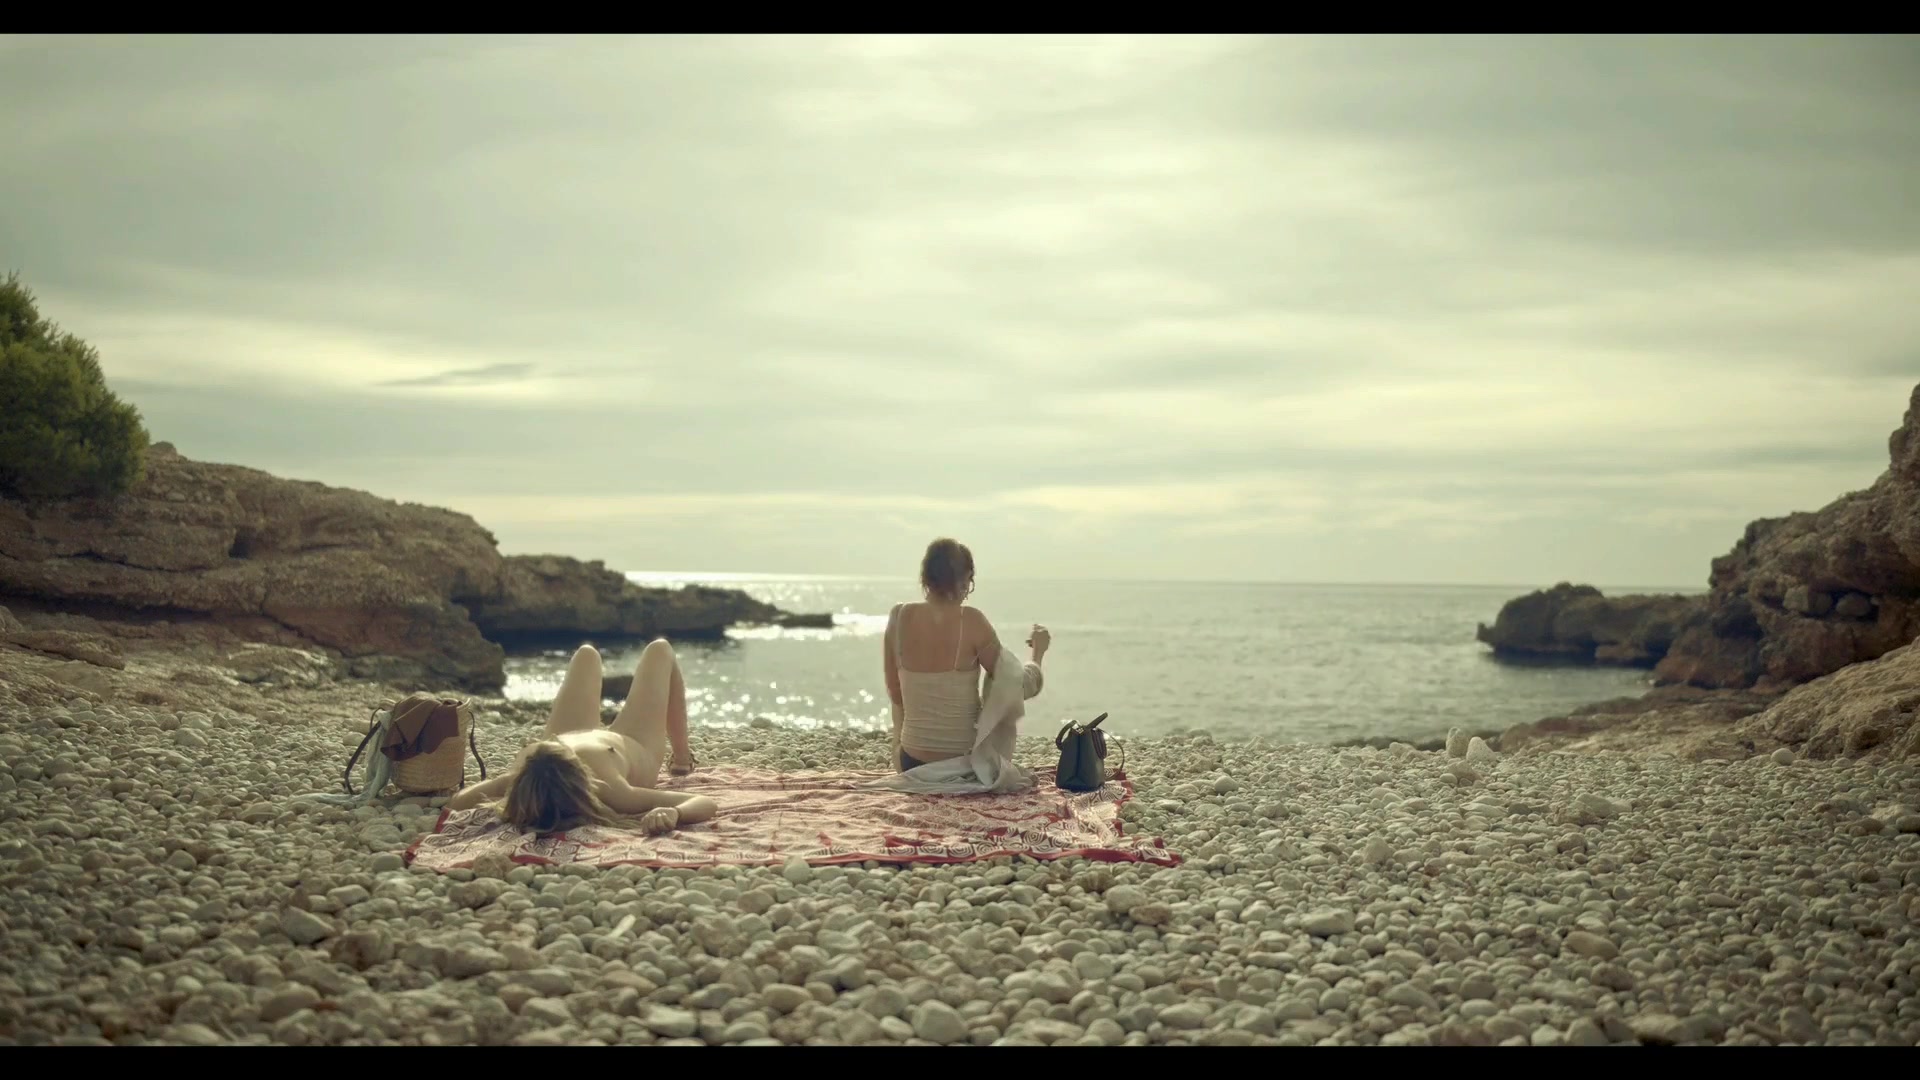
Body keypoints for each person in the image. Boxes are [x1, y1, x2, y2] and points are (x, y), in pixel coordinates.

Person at [447, 639, 716, 835]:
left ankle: (680, 757)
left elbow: (457, 802)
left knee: (586, 653)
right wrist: (675, 813)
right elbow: (705, 803)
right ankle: (682, 759)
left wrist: (501, 784)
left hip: (570, 733)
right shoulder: (613, 790)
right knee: (660, 650)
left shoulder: (527, 776)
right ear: (586, 781)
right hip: (632, 743)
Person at [884, 538, 1050, 772]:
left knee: (903, 698)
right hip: (962, 763)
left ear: (925, 577)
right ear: (964, 580)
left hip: (909, 762)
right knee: (997, 682)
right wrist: (1038, 652)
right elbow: (1018, 683)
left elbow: (895, 693)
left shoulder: (898, 617)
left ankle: (916, 752)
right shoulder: (971, 620)